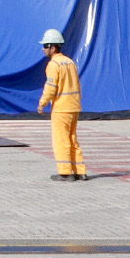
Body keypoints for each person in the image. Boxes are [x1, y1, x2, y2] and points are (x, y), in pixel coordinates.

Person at [38, 28, 86, 180]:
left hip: (61, 108)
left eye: (45, 46)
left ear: (53, 47)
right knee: (72, 139)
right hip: (74, 106)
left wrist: (42, 103)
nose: (43, 49)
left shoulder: (54, 64)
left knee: (61, 140)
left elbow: (51, 87)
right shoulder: (70, 62)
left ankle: (65, 173)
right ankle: (80, 171)